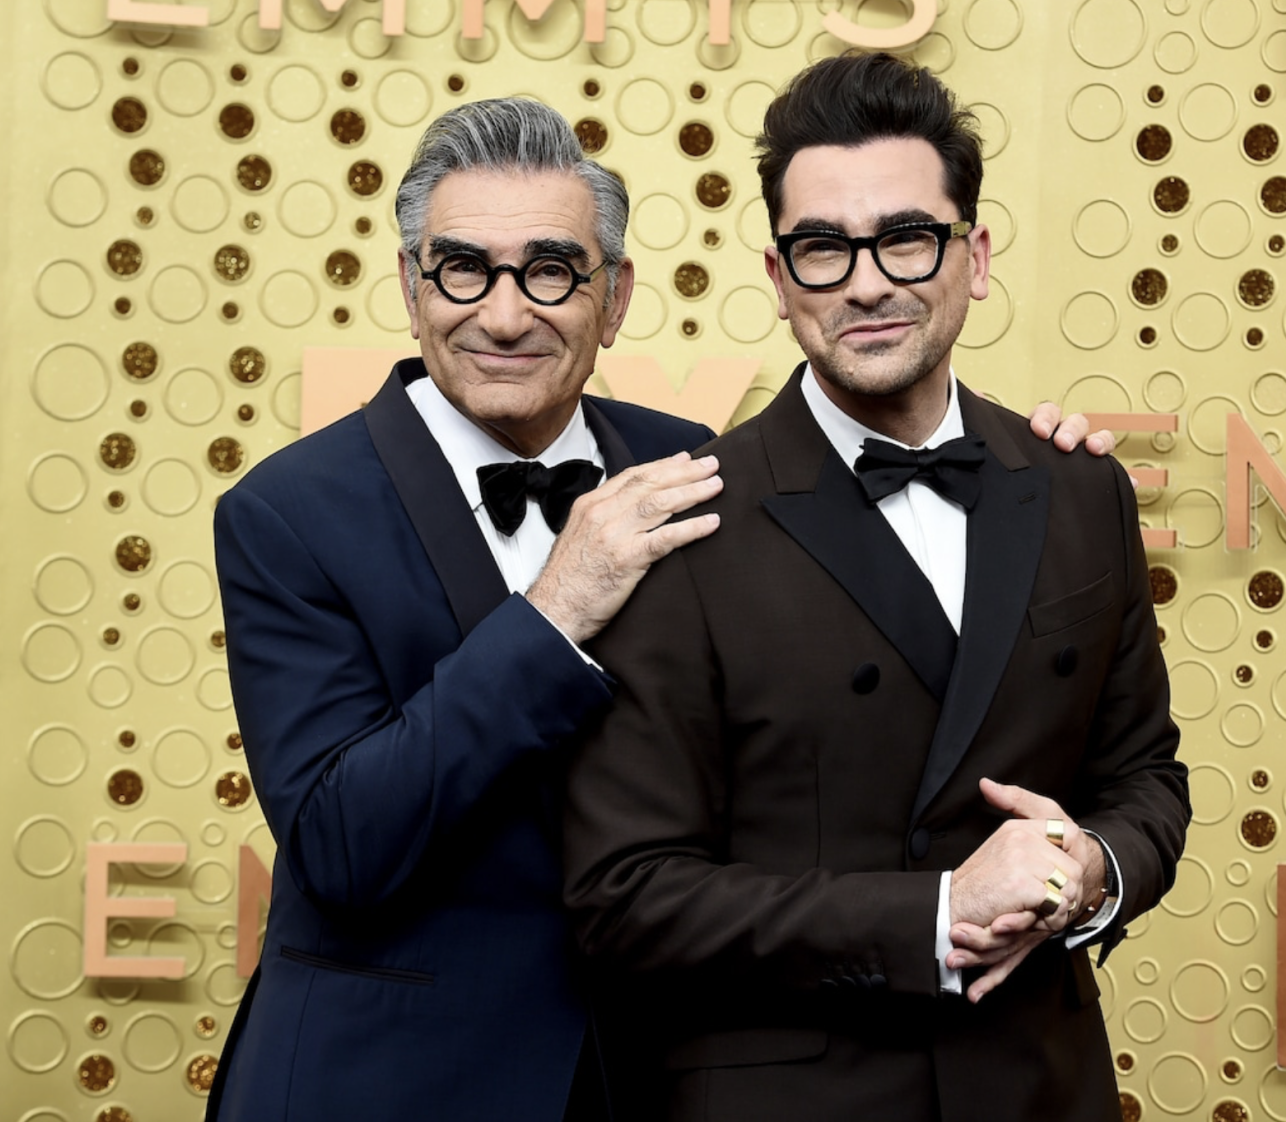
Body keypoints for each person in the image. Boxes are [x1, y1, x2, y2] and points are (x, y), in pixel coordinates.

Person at [207, 95, 1113, 1120]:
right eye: (464, 269)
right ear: (414, 286)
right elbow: (339, 842)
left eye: (551, 270)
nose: (505, 314)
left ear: (617, 295)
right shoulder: (287, 512)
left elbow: (895, 625)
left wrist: (1031, 467)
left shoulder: (697, 465)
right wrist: (552, 614)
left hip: (671, 1074)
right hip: (391, 1082)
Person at [564, 53, 1189, 1122]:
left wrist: (1091, 868)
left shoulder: (1083, 491)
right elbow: (626, 897)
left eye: (906, 237)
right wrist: (933, 913)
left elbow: (1146, 783)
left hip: (1037, 1085)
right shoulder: (680, 523)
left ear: (974, 255)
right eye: (822, 249)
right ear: (777, 277)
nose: (866, 282)